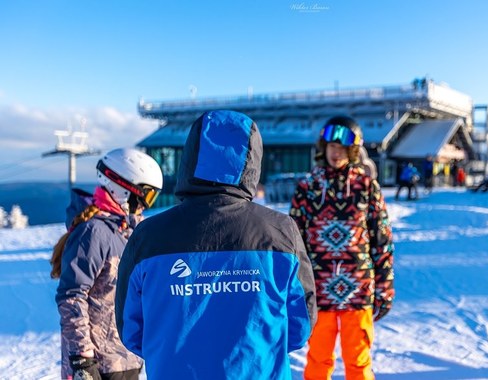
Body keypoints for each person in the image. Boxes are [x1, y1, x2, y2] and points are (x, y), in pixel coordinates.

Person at [115, 110, 317, 380]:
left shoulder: (148, 236)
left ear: (190, 158)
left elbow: (131, 329)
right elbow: (300, 324)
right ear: (252, 162)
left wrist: (172, 355)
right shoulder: (280, 232)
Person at [290, 115, 395, 380]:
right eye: (331, 147)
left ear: (354, 151)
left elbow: (381, 240)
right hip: (319, 288)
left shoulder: (367, 187)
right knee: (318, 359)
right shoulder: (308, 187)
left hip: (358, 288)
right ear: (322, 148)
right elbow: (294, 241)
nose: (336, 153)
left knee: (358, 362)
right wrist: (295, 285)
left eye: (343, 148)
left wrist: (385, 286)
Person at [52, 148, 163, 380]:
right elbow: (71, 296)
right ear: (123, 189)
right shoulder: (93, 232)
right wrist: (82, 358)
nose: (146, 205)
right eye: (146, 196)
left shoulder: (127, 233)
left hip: (124, 359)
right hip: (98, 366)